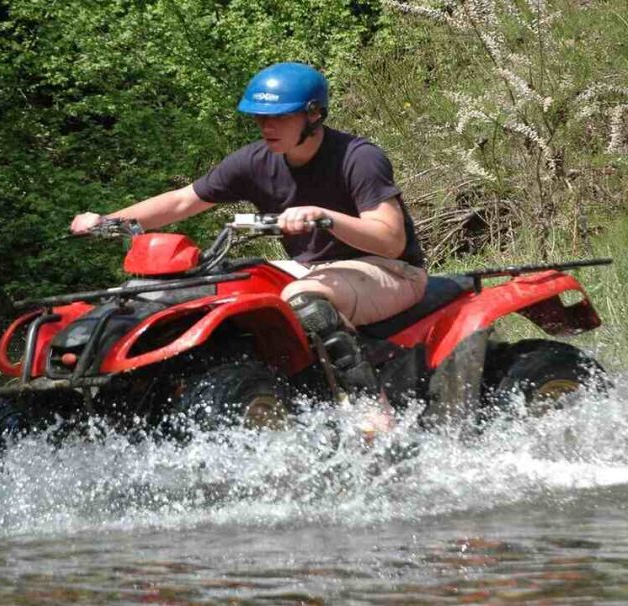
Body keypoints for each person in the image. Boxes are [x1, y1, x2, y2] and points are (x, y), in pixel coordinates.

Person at [71, 62, 427, 408]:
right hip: (312, 269)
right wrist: (105, 221)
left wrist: (326, 218)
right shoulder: (254, 161)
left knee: (305, 299)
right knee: (209, 290)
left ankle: (370, 410)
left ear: (314, 113)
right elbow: (182, 201)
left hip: (388, 270)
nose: (266, 126)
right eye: (260, 117)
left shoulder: (358, 157)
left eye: (279, 117)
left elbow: (391, 240)